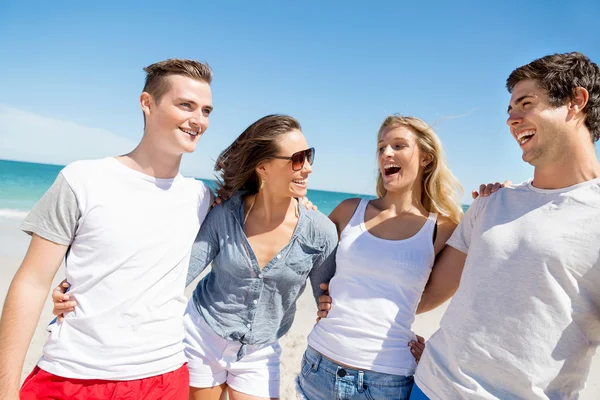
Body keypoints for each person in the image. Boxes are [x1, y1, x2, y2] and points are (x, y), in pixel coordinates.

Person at [0, 59, 214, 400]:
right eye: (185, 105)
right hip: (72, 377)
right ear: (147, 103)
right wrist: (5, 389)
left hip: (164, 377)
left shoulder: (202, 197)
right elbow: (31, 282)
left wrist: (302, 202)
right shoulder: (83, 179)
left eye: (205, 110)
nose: (198, 120)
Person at [410, 52, 600, 399]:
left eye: (526, 104)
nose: (513, 120)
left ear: (576, 101)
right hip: (430, 387)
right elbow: (426, 295)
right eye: (510, 112)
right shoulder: (491, 203)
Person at [296, 115, 464, 400]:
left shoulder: (443, 228)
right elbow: (302, 258)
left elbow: (443, 295)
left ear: (425, 157)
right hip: (318, 366)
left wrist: (432, 349)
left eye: (398, 145)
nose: (386, 153)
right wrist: (322, 295)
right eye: (381, 147)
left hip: (385, 380)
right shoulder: (349, 210)